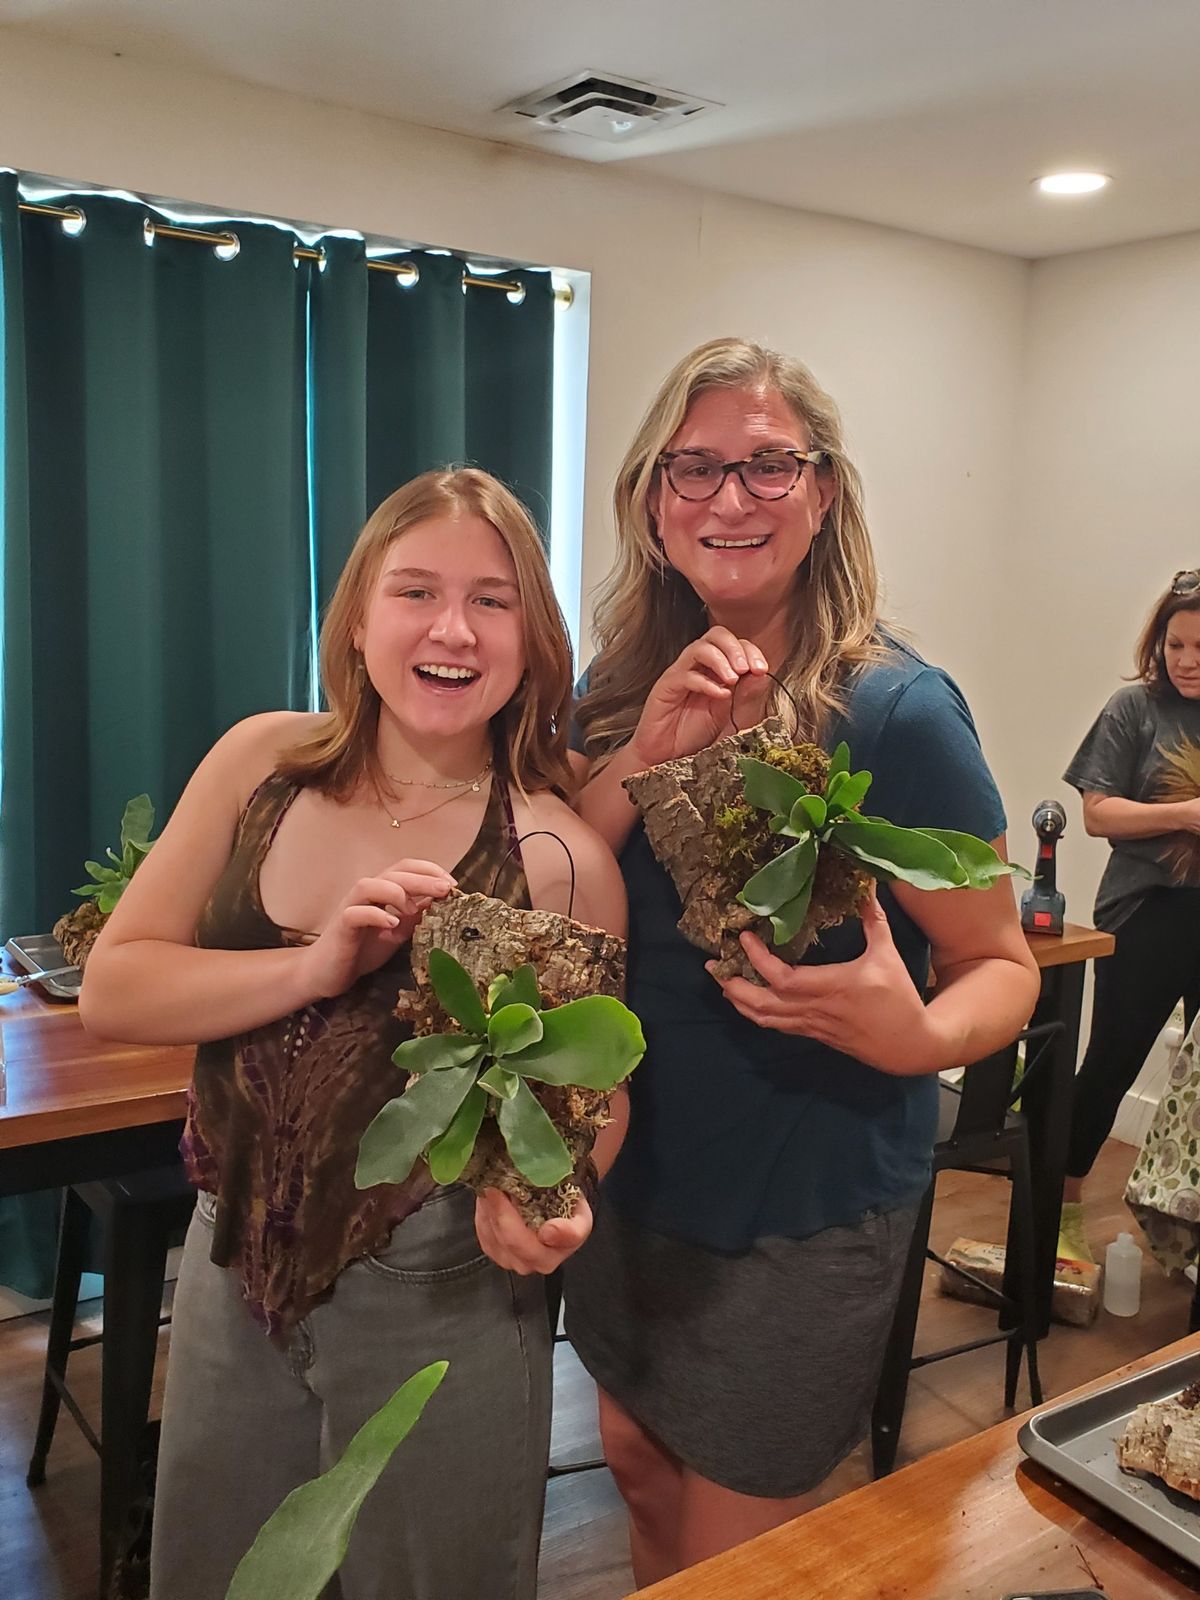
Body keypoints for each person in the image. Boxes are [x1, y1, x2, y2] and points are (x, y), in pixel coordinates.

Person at [79, 468, 627, 1600]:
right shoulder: (262, 767)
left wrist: (554, 1202)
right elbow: (117, 987)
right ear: (359, 615)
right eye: (415, 589)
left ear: (532, 633)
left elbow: (597, 1096)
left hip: (442, 1296)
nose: (450, 628)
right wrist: (317, 965)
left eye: (492, 598)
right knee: (214, 1579)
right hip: (232, 1268)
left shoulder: (556, 853)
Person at [563, 337, 1039, 1583]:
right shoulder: (611, 689)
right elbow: (554, 876)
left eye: (770, 466)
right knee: (638, 1468)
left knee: (736, 1552)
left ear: (824, 492)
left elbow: (1002, 962)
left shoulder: (896, 710)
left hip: (800, 1196)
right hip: (633, 1169)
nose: (731, 499)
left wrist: (923, 1037)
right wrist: (650, 741)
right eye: (697, 468)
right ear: (653, 498)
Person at [1058, 571, 1200, 1265]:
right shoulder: (1133, 709)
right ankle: (1059, 1217)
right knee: (1112, 1062)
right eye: (1176, 644)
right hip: (1145, 912)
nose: (1186, 659)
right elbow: (1096, 813)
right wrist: (1187, 815)